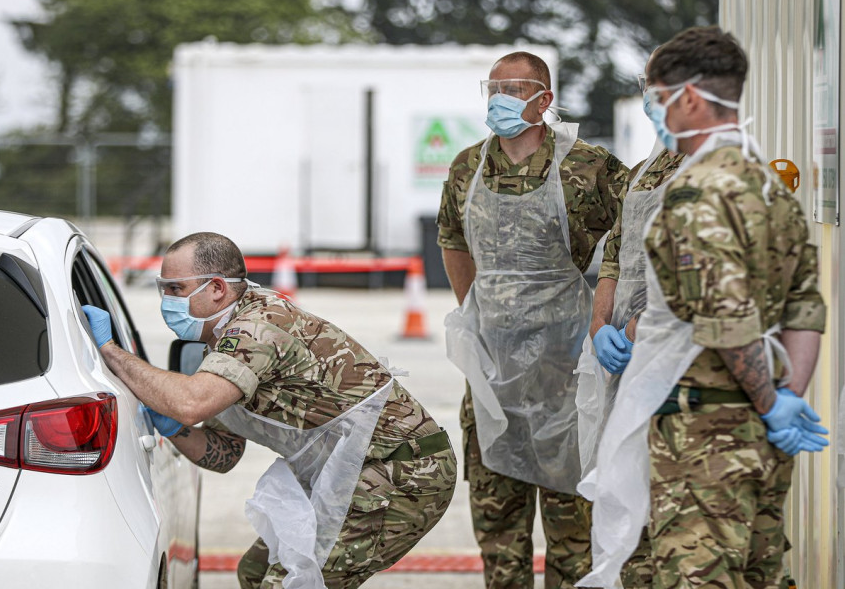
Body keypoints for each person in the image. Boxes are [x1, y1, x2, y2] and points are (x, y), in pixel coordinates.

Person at [578, 26, 828, 589]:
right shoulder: (768, 185)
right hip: (763, 435)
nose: (656, 108)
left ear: (689, 97)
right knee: (761, 572)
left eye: (660, 95)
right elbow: (805, 306)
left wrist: (767, 400)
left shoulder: (695, 194)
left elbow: (726, 321)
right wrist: (784, 404)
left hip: (701, 433)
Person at [81, 232, 456, 589]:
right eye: (163, 290)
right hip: (351, 472)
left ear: (216, 289)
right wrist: (173, 428)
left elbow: (192, 402)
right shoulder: (222, 347)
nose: (167, 302)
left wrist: (111, 351)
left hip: (405, 470)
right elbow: (224, 453)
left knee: (291, 582)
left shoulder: (258, 328)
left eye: (176, 290)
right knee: (256, 572)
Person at [438, 50, 628, 588]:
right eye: (493, 88)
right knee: (499, 523)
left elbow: (633, 240)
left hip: (565, 373)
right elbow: (453, 240)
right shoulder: (466, 167)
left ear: (545, 99)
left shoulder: (588, 167)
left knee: (573, 526)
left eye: (515, 88)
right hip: (494, 371)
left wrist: (608, 316)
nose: (500, 99)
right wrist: (474, 313)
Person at [574, 53, 684, 589]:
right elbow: (613, 258)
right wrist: (601, 326)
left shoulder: (710, 169)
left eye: (659, 86)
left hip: (674, 359)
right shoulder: (646, 169)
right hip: (625, 357)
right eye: (647, 85)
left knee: (669, 502)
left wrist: (645, 328)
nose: (650, 96)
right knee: (624, 496)